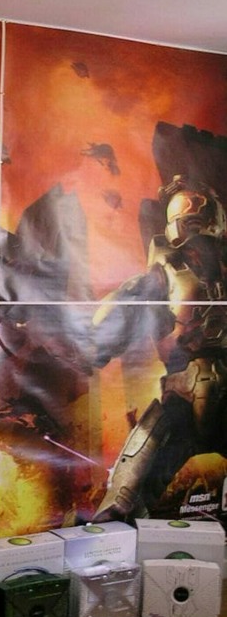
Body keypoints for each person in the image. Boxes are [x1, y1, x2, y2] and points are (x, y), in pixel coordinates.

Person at [90, 174, 227, 520]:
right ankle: (120, 508)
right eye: (190, 225)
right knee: (131, 493)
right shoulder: (165, 272)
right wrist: (97, 341)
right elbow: (120, 310)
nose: (198, 237)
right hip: (184, 391)